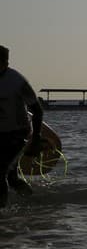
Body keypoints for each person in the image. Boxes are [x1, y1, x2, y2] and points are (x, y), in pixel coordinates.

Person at [0, 45, 43, 207]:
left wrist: (36, 138)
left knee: (0, 172)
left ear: (5, 62)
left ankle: (2, 212)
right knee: (11, 178)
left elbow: (37, 110)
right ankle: (34, 202)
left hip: (17, 133)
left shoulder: (17, 81)